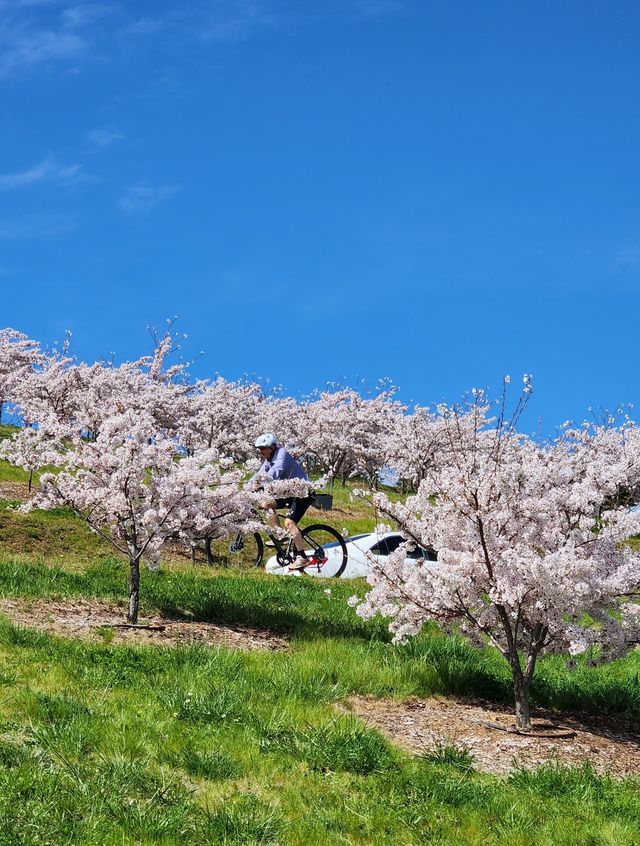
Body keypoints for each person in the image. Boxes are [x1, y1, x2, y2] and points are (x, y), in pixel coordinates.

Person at [251, 433, 314, 570]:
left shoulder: (282, 453)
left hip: (303, 492)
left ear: (272, 447)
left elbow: (277, 470)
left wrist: (262, 483)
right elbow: (258, 475)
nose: (261, 451)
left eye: (263, 448)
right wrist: (248, 487)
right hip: (289, 493)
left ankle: (302, 557)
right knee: (265, 504)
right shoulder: (268, 461)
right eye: (260, 449)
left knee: (289, 522)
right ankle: (280, 534)